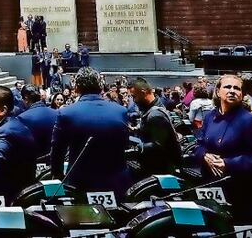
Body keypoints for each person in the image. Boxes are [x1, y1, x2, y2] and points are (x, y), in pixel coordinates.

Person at [197, 75, 252, 223]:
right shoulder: (210, 117)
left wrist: (228, 164)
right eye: (227, 87)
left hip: (241, 190)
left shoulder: (248, 120)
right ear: (218, 92)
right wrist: (205, 155)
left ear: (242, 95)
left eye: (237, 88)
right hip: (213, 187)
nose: (232, 91)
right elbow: (199, 145)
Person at [50, 67, 131, 197]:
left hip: (80, 185)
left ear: (76, 88)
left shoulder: (66, 113)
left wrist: (58, 176)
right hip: (117, 184)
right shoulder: (120, 111)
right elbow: (125, 144)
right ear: (100, 86)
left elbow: (57, 151)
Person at [128, 78, 180, 175]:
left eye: (134, 96)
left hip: (160, 170)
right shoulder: (154, 107)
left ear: (143, 92)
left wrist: (138, 148)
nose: (134, 101)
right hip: (155, 165)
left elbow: (160, 145)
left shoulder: (155, 115)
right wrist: (136, 129)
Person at [16, 85, 58, 158]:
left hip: (34, 164)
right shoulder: (57, 113)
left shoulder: (21, 119)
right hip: (55, 160)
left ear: (26, 98)